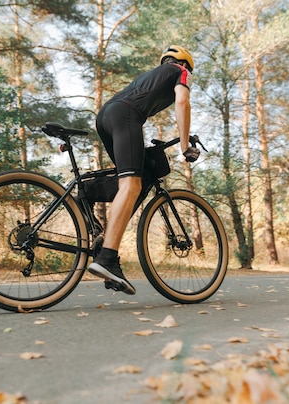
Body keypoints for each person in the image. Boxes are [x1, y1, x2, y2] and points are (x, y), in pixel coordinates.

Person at [88, 45, 200, 295]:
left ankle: (91, 210)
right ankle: (107, 258)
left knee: (127, 182)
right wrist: (184, 146)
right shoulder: (179, 71)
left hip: (106, 115)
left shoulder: (151, 75)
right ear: (186, 64)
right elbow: (183, 102)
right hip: (127, 116)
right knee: (131, 185)